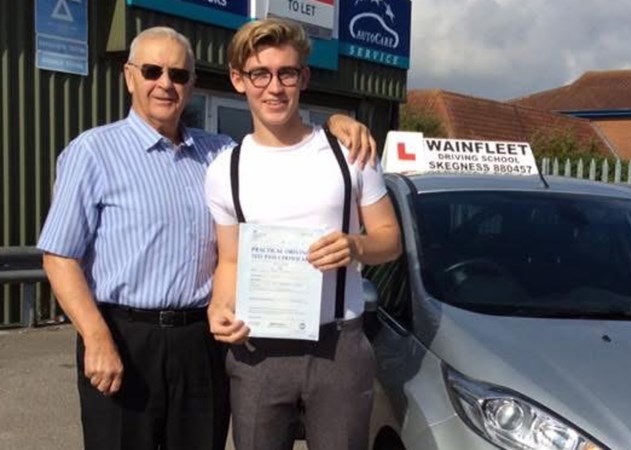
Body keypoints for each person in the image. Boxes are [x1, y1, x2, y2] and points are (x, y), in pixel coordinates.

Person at [37, 26, 377, 450]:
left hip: (201, 343)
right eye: (152, 71)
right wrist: (96, 337)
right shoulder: (92, 152)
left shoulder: (218, 154)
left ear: (192, 84)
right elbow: (59, 257)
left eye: (179, 75)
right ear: (129, 77)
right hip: (124, 338)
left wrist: (338, 125)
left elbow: (279, 138)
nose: (165, 84)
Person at [203, 18, 402, 450]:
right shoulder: (224, 169)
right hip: (258, 349)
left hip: (338, 345)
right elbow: (231, 260)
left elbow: (390, 238)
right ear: (238, 80)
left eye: (286, 73)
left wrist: (356, 245)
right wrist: (219, 306)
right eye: (260, 74)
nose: (274, 88)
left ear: (304, 78)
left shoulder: (350, 152)